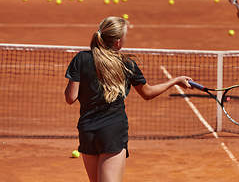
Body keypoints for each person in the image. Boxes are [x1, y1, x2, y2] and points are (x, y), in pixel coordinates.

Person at [64, 17, 192, 182]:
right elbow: (148, 93)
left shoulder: (81, 59)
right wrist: (175, 81)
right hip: (112, 131)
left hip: (87, 131)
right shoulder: (126, 64)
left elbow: (70, 98)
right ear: (118, 42)